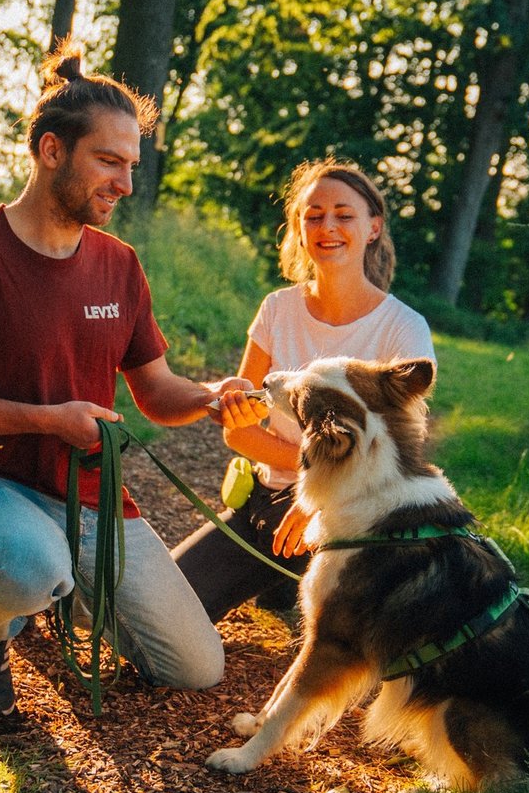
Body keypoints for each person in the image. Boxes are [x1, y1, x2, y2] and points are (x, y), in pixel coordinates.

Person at [0, 43, 248, 717]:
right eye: (108, 162)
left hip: (87, 498)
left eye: (131, 166)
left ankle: (47, 587)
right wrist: (47, 417)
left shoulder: (120, 265)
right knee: (25, 569)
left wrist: (210, 399)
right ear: (51, 150)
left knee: (196, 667)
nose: (124, 183)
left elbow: (155, 391)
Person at [172, 158, 436, 622]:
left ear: (373, 228)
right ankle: (278, 580)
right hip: (269, 506)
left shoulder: (405, 330)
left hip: (357, 520)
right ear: (299, 227)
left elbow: (403, 459)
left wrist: (319, 495)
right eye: (313, 215)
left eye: (343, 214)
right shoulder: (277, 309)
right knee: (160, 610)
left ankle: (287, 587)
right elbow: (240, 433)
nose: (327, 226)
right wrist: (312, 481)